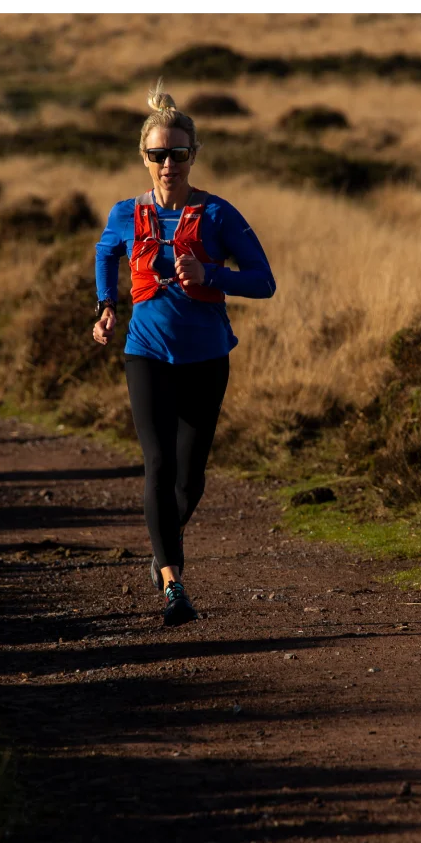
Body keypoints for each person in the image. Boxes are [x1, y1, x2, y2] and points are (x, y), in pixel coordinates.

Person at [93, 78, 276, 627]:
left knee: (189, 480)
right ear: (144, 158)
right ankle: (174, 584)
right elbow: (105, 251)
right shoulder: (125, 213)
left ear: (194, 155)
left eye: (177, 154)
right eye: (158, 155)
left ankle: (162, 546)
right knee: (159, 463)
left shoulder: (219, 215)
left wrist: (210, 274)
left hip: (206, 357)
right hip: (146, 352)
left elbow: (264, 281)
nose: (167, 164)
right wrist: (106, 306)